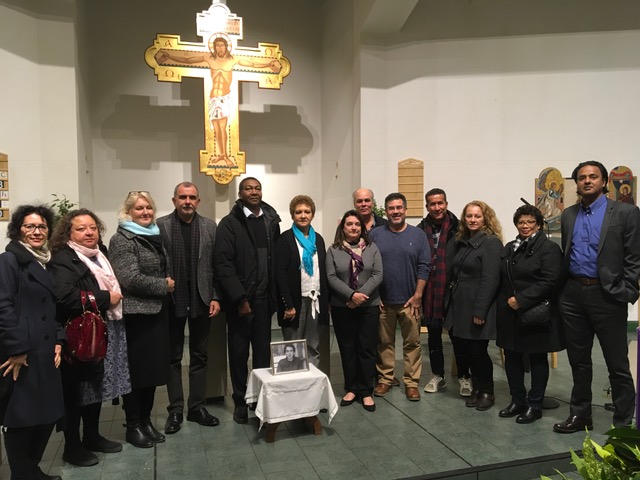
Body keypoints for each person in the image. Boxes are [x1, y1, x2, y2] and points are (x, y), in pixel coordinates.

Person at [553, 161, 640, 433]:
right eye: (582, 177)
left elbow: (634, 257)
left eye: (593, 177)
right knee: (579, 361)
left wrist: (626, 291)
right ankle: (580, 416)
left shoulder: (626, 213)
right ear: (576, 183)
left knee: (617, 364)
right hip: (573, 295)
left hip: (608, 295)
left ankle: (624, 424)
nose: (587, 181)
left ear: (604, 181)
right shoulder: (568, 215)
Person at [49, 209, 130, 466]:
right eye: (81, 228)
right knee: (75, 391)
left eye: (93, 227)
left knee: (95, 387)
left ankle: (93, 436)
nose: (88, 232)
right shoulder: (63, 259)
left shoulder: (100, 254)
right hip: (79, 335)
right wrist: (106, 299)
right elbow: (65, 297)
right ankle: (72, 447)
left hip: (103, 329)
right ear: (68, 233)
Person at [0, 205, 64, 480]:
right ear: (18, 230)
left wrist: (59, 340)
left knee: (47, 413)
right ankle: (22, 473)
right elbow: (3, 306)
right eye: (30, 226)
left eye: (42, 227)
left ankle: (31, 468)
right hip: (23, 353)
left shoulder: (44, 261)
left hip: (46, 350)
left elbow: (53, 308)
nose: (37, 231)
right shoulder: (9, 261)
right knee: (21, 416)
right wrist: (16, 350)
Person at [109, 191, 173, 448]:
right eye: (139, 208)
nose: (145, 212)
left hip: (156, 313)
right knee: (136, 374)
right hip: (137, 315)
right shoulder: (122, 239)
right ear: (128, 212)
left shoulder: (154, 235)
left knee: (152, 372)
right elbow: (129, 278)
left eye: (148, 207)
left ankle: (146, 421)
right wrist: (164, 285)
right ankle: (133, 425)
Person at [214, 177, 281, 424]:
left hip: (265, 300)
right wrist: (240, 298)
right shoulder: (229, 224)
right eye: (248, 189)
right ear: (240, 193)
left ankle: (260, 397)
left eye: (257, 188)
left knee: (263, 354)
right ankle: (241, 401)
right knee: (240, 354)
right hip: (241, 303)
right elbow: (223, 265)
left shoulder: (271, 220)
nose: (254, 192)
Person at [155, 36, 282, 167]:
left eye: (222, 45)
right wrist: (170, 57)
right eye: (217, 45)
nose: (220, 48)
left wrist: (268, 64)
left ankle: (225, 156)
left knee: (223, 128)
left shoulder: (233, 60)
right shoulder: (208, 58)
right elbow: (188, 60)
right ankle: (221, 155)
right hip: (213, 98)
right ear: (214, 47)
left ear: (226, 47)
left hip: (225, 98)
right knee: (216, 128)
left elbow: (252, 64)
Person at [157, 182, 221, 435]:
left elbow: (215, 265)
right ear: (174, 200)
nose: (187, 201)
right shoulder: (160, 225)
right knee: (172, 356)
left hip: (201, 298)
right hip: (172, 299)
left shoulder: (209, 226)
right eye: (182, 197)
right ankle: (175, 409)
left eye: (192, 197)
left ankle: (197, 407)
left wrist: (216, 296)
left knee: (200, 355)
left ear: (198, 200)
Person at [496, 205, 564, 424]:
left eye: (530, 222)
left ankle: (535, 404)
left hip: (535, 312)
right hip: (510, 313)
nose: (525, 226)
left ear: (539, 224)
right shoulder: (509, 247)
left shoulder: (549, 248)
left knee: (536, 358)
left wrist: (522, 300)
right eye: (521, 222)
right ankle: (518, 401)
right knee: (512, 357)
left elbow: (550, 281)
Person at [371, 193, 430, 401]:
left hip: (410, 302)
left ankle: (411, 383)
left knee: (412, 343)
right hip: (383, 302)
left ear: (405, 209)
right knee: (384, 342)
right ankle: (385, 379)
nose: (395, 212)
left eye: (399, 208)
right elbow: (368, 266)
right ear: (385, 211)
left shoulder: (418, 235)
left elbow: (424, 266)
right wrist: (374, 295)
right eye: (391, 208)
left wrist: (418, 296)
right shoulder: (375, 235)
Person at [444, 201, 503, 411]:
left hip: (477, 306)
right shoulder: (462, 241)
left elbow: (490, 280)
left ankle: (487, 391)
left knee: (478, 351)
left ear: (486, 218)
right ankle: (477, 390)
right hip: (460, 305)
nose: (472, 220)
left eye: (477, 216)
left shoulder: (491, 243)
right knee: (466, 351)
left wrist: (480, 310)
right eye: (469, 216)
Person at [326, 210, 383, 412]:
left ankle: (366, 390)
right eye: (349, 224)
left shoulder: (371, 248)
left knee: (367, 349)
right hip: (343, 307)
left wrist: (360, 297)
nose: (353, 228)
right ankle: (351, 387)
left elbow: (377, 274)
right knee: (348, 348)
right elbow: (331, 277)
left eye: (357, 224)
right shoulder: (333, 250)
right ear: (343, 228)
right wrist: (351, 296)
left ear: (362, 227)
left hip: (369, 306)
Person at [417, 188, 462, 395]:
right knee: (433, 337)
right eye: (432, 204)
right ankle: (438, 376)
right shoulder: (419, 230)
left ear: (446, 203)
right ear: (427, 207)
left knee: (457, 337)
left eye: (440, 203)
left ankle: (464, 376)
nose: (437, 207)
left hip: (452, 289)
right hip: (430, 291)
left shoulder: (459, 228)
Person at [275, 195, 328, 367]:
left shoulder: (318, 239)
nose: (303, 215)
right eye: (298, 212)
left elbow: (323, 270)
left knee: (313, 346)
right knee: (293, 347)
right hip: (294, 302)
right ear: (292, 215)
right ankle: (293, 385)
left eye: (307, 212)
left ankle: (311, 386)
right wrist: (288, 305)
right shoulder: (285, 239)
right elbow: (280, 274)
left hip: (315, 300)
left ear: (312, 214)